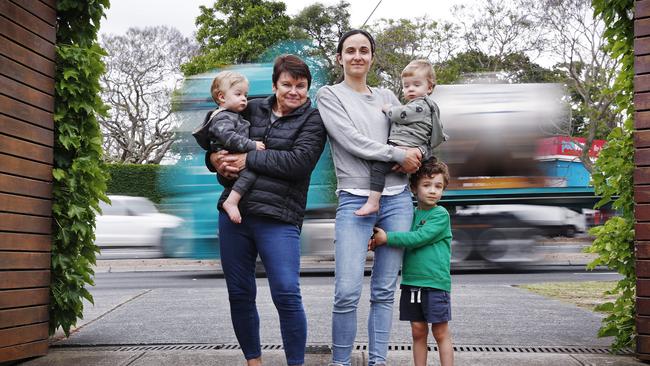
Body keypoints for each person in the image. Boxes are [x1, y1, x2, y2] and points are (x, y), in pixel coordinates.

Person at [206, 54, 327, 366]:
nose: (293, 91)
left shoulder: (313, 120)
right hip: (235, 216)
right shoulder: (252, 106)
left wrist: (249, 160)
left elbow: (298, 163)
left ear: (308, 89)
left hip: (279, 217)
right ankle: (253, 361)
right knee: (240, 293)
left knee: (286, 292)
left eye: (301, 86)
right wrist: (214, 161)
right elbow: (216, 134)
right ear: (275, 85)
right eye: (287, 84)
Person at [316, 29, 423, 366]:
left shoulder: (388, 96)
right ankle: (341, 362)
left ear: (372, 57)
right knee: (347, 291)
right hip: (353, 199)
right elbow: (351, 140)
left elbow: (411, 133)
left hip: (398, 199)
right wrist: (397, 153)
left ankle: (378, 361)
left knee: (384, 292)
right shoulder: (329, 95)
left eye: (364, 50)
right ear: (340, 57)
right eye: (350, 50)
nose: (357, 56)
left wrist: (416, 151)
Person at [369, 158, 454, 366]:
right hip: (411, 284)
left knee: (440, 331)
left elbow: (417, 239)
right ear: (414, 188)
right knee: (417, 331)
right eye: (427, 185)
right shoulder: (409, 214)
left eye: (438, 186)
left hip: (435, 284)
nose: (433, 191)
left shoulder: (440, 215)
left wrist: (387, 238)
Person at [356, 59, 447, 216]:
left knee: (378, 168)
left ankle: (372, 202)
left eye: (416, 85)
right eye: (406, 86)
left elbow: (401, 115)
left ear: (429, 87)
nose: (410, 89)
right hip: (410, 149)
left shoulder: (420, 105)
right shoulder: (422, 105)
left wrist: (388, 108)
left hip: (404, 148)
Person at [201, 71, 266, 224]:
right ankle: (231, 201)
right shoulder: (222, 117)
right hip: (230, 159)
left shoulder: (233, 115)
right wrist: (252, 145)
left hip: (230, 158)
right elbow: (229, 138)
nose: (244, 98)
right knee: (251, 172)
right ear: (221, 97)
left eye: (245, 94)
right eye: (238, 94)